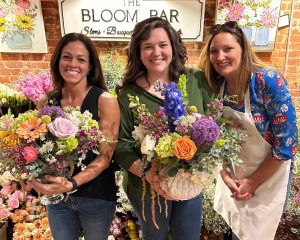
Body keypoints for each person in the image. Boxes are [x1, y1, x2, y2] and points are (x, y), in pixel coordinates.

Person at [113, 17, 212, 240]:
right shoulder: (128, 94)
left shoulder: (195, 79)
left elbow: (213, 125)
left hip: (188, 184)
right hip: (146, 189)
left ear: (173, 47)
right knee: (154, 236)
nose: (156, 52)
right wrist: (150, 176)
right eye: (147, 46)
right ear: (138, 52)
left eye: (162, 45)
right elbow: (119, 146)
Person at [199, 21, 298, 240]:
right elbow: (213, 138)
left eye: (228, 49)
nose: (220, 56)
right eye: (214, 51)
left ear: (243, 48)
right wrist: (224, 175)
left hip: (268, 175)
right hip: (234, 176)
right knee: (235, 230)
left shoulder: (267, 81)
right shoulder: (216, 86)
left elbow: (287, 144)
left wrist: (253, 182)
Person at [30, 33, 120, 240]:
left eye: (81, 59)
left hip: (96, 196)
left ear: (90, 66)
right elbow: (38, 150)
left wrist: (71, 184)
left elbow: (105, 157)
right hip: (57, 198)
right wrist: (34, 178)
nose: (73, 64)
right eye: (67, 57)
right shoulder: (47, 103)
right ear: (58, 61)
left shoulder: (104, 101)